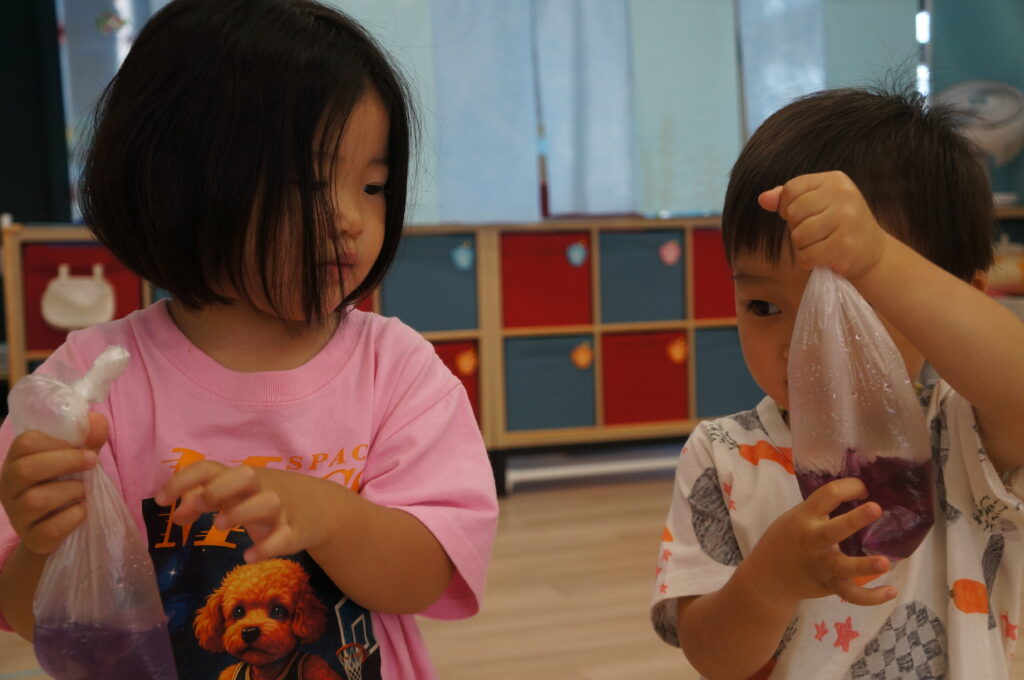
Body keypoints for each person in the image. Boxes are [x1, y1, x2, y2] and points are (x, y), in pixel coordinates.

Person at [0, 1, 498, 678]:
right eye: (310, 181)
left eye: (373, 185)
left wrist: (326, 514)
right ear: (185, 180)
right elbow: (35, 620)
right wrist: (40, 539)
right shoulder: (90, 385)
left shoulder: (397, 370)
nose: (352, 218)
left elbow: (426, 577)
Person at [650, 86, 1024, 679]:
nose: (803, 348)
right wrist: (768, 583)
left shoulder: (967, 428)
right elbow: (713, 657)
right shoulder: (723, 457)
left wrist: (879, 261)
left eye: (857, 304)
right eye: (765, 307)